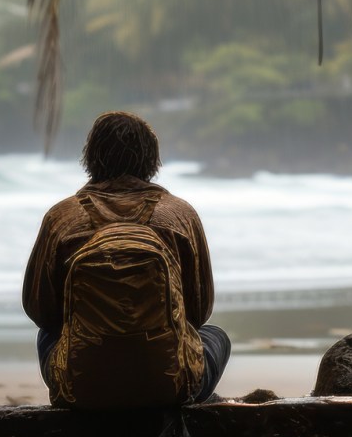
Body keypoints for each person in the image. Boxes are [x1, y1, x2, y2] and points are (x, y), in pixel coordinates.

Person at [23, 111, 230, 407]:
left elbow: (40, 310)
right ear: (152, 161)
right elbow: (199, 311)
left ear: (90, 158)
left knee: (47, 334)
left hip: (81, 386)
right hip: (169, 386)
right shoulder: (180, 215)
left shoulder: (62, 217)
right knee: (215, 335)